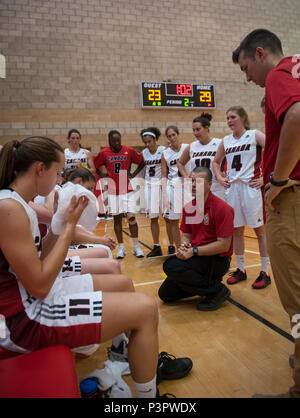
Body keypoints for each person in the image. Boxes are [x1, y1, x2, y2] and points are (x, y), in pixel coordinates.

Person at [0, 136, 192, 398]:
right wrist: (68, 229)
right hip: (23, 319)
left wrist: (58, 224)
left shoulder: (17, 203)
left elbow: (41, 259)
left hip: (31, 296)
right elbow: (41, 285)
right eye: (57, 173)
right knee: (146, 310)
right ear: (39, 169)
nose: (59, 180)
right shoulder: (9, 208)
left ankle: (123, 353)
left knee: (123, 284)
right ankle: (149, 397)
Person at [232, 28, 300, 398]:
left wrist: (278, 178)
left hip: (290, 200)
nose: (248, 78)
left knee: (298, 303)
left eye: (246, 68)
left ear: (260, 53)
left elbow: (298, 117)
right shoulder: (296, 70)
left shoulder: (277, 75)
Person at [158, 166, 233, 311]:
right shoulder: (189, 207)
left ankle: (217, 290)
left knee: (170, 266)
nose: (193, 185)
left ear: (209, 185)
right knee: (165, 294)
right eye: (191, 181)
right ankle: (208, 284)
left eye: (197, 182)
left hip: (216, 260)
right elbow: (186, 235)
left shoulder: (222, 208)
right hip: (197, 256)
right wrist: (185, 246)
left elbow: (223, 245)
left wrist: (194, 251)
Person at [213, 106, 271, 289]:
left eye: (233, 117)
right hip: (233, 189)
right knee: (236, 230)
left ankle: (265, 272)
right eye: (227, 117)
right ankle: (241, 269)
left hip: (251, 188)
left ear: (243, 118)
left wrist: (267, 176)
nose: (229, 120)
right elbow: (216, 161)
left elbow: (275, 150)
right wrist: (220, 178)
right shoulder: (226, 140)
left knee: (259, 231)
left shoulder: (254, 134)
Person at [94, 130, 145, 259]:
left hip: (127, 190)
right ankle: (121, 248)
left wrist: (133, 174)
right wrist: (103, 175)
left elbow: (142, 162)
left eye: (119, 140)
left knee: (131, 218)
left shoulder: (129, 150)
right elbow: (94, 165)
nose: (117, 143)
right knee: (117, 220)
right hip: (112, 191)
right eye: (114, 141)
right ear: (109, 141)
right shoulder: (104, 153)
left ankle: (136, 247)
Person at [178, 113, 225, 200]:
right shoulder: (191, 146)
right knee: (200, 213)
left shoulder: (219, 143)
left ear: (206, 128)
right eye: (193, 130)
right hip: (198, 187)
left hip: (216, 186)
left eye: (198, 129)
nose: (195, 133)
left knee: (217, 213)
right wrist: (186, 177)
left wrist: (224, 173)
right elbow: (180, 163)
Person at [161, 126, 191, 252]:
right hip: (173, 188)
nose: (172, 138)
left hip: (189, 187)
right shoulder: (165, 154)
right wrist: (164, 195)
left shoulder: (188, 147)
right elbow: (164, 175)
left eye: (174, 135)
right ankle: (179, 249)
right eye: (169, 136)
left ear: (179, 135)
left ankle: (191, 247)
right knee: (173, 220)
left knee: (192, 220)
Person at [140, 127, 165, 257]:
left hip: (161, 186)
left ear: (155, 139)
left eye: (149, 141)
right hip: (150, 187)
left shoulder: (163, 150)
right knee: (153, 219)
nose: (147, 144)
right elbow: (143, 167)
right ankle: (156, 246)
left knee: (168, 217)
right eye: (145, 142)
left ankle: (172, 245)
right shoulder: (144, 153)